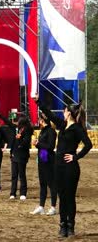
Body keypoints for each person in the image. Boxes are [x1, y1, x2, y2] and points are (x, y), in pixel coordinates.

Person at [34, 96, 92, 237]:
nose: (62, 112)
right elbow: (49, 114)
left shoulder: (77, 128)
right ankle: (62, 225)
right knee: (62, 197)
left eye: (64, 110)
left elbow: (88, 145)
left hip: (70, 167)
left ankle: (70, 226)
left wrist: (76, 156)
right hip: (58, 166)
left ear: (69, 113)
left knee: (69, 198)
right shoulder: (62, 125)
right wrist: (38, 101)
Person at [0, 113, 33, 201]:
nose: (15, 122)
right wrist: (1, 115)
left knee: (22, 174)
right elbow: (8, 123)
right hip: (14, 153)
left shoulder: (27, 130)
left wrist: (20, 139)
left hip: (22, 155)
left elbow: (26, 142)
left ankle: (23, 193)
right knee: (14, 175)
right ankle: (12, 193)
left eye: (17, 120)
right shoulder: (15, 128)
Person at [30, 113, 57, 215]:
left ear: (42, 120)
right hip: (42, 158)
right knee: (42, 183)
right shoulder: (43, 131)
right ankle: (41, 206)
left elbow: (50, 146)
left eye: (39, 120)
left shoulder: (51, 131)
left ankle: (53, 207)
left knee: (51, 184)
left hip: (49, 159)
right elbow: (42, 146)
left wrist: (38, 143)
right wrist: (37, 144)